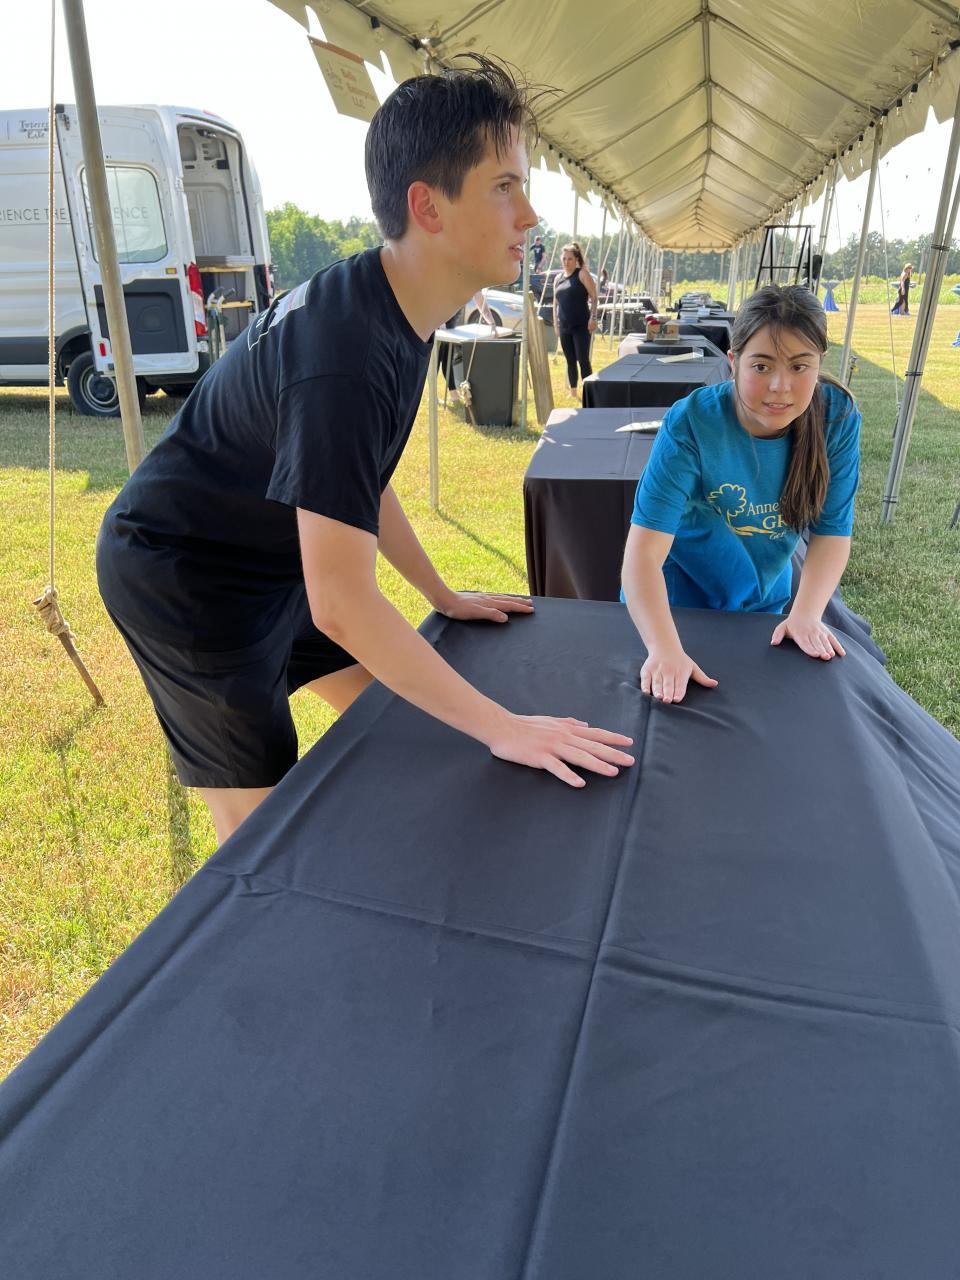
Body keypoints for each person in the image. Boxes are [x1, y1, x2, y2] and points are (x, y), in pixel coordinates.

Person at [95, 59, 635, 845]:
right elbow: (342, 604)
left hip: (278, 559)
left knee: (402, 731)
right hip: (186, 579)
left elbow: (358, 479)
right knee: (261, 834)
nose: (530, 216)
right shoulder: (345, 351)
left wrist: (440, 593)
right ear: (428, 206)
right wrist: (505, 726)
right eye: (505, 187)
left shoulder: (396, 307)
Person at [622, 284, 861, 705]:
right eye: (762, 366)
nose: (780, 387)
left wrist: (806, 614)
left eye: (800, 366)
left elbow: (832, 531)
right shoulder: (691, 421)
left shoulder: (837, 417)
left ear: (819, 363)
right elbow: (642, 556)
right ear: (733, 362)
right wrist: (663, 648)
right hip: (677, 606)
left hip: (763, 600)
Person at [554, 240, 598, 397]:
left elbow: (594, 297)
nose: (566, 262)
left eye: (570, 259)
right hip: (564, 327)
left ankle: (588, 392)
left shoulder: (582, 274)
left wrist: (593, 318)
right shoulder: (558, 278)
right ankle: (573, 392)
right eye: (564, 259)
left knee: (583, 359)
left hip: (581, 326)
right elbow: (555, 304)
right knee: (570, 360)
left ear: (576, 259)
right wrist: (556, 325)